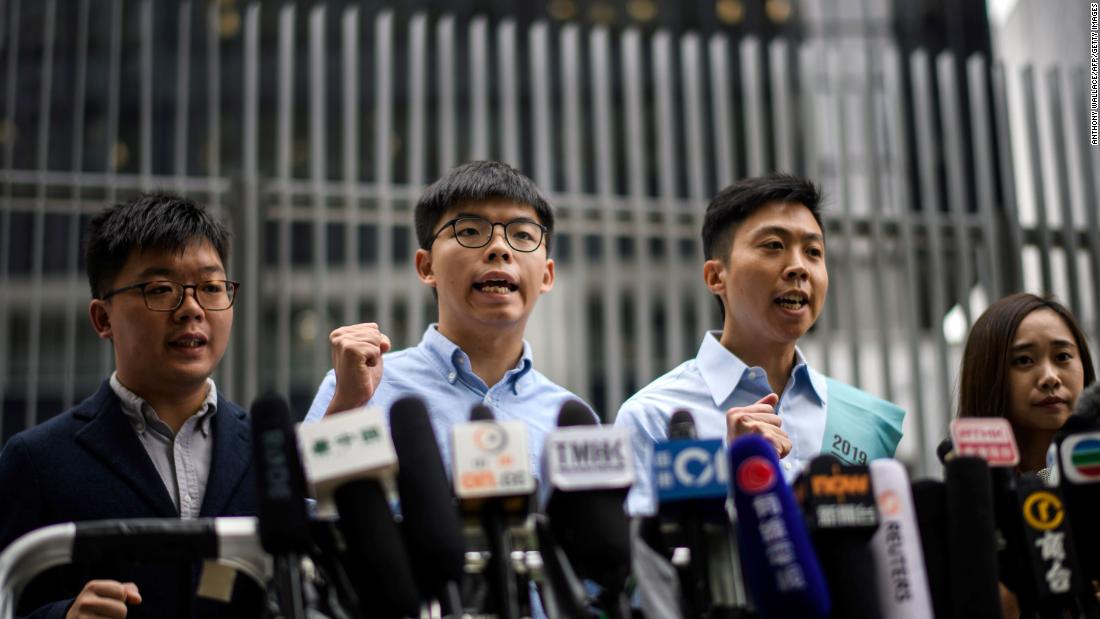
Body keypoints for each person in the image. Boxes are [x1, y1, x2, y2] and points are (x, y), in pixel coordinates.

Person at [0, 194, 258, 618]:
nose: (191, 308)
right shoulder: (37, 461)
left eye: (211, 287)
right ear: (102, 319)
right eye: (161, 289)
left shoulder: (268, 453)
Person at [615, 173, 905, 515]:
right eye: (773, 246)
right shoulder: (653, 417)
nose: (799, 267)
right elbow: (647, 564)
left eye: (813, 251)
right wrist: (733, 472)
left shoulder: (866, 422)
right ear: (715, 276)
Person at [305, 160, 593, 474]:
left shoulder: (573, 422)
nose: (499, 248)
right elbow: (310, 515)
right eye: (470, 231)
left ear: (547, 276)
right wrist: (348, 407)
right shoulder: (356, 390)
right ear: (426, 267)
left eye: (522, 235)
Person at [956, 292, 1095, 474]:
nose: (1050, 377)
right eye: (1024, 360)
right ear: (986, 376)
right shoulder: (970, 492)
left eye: (1062, 356)